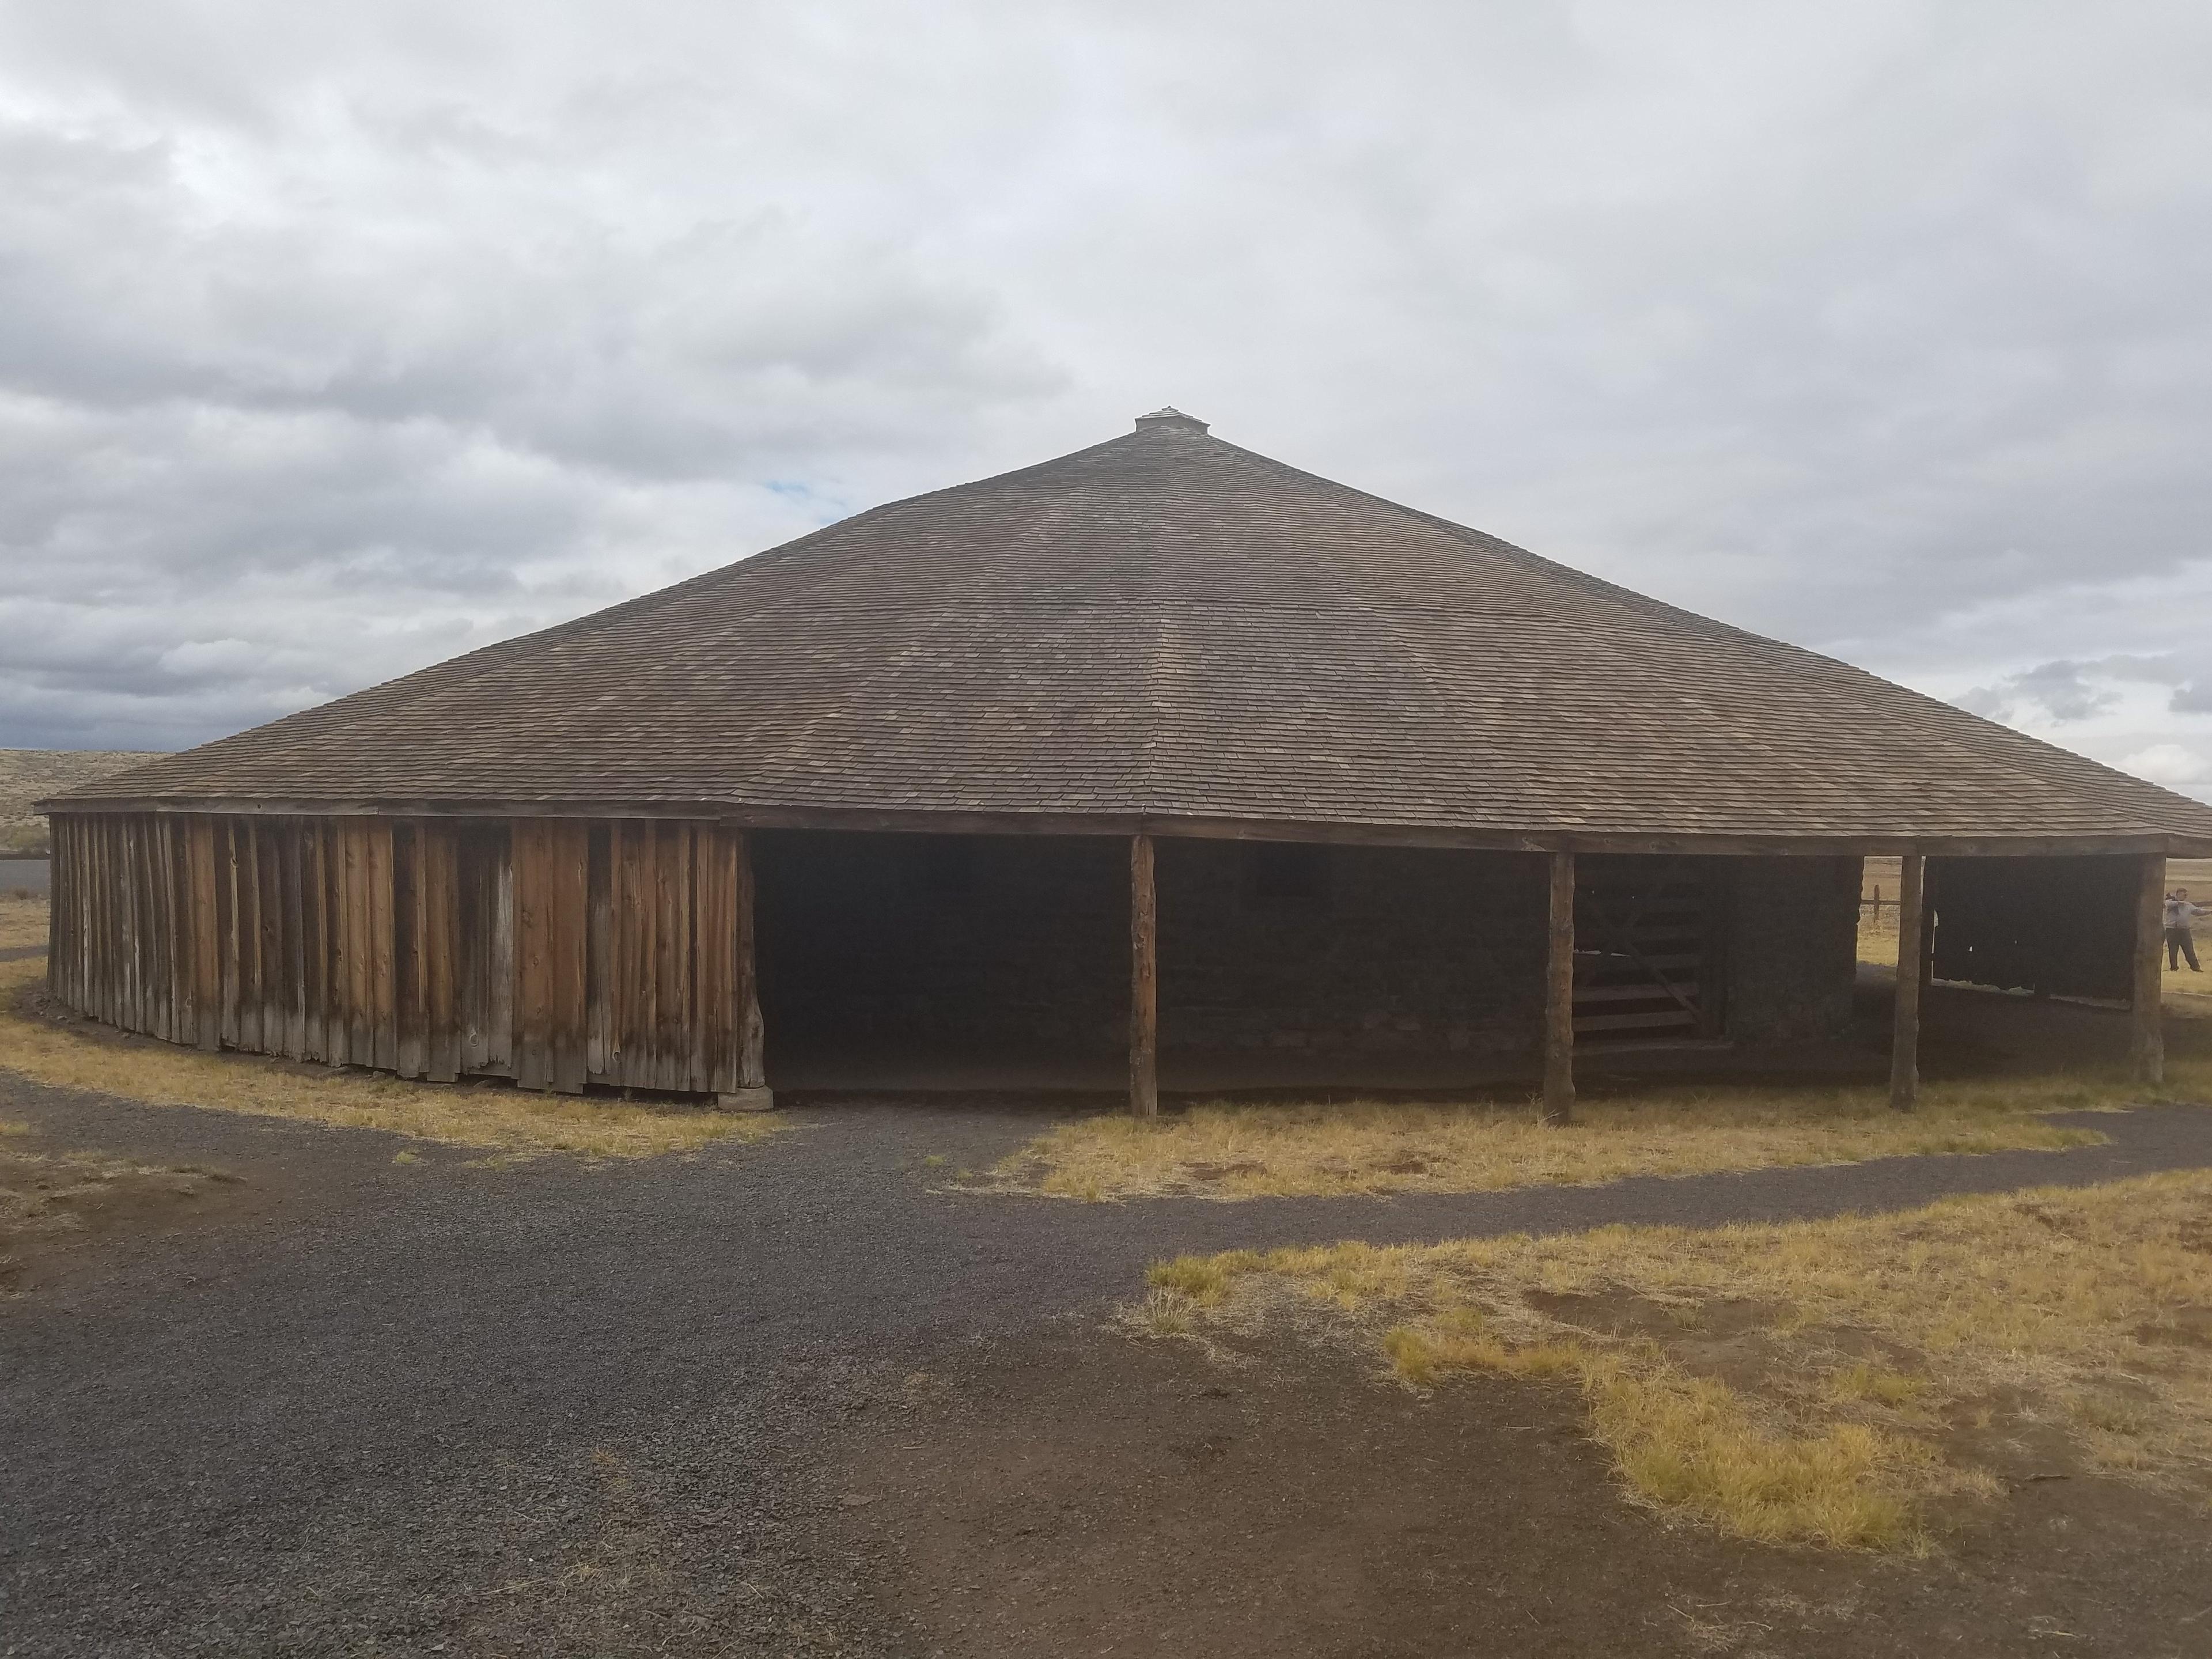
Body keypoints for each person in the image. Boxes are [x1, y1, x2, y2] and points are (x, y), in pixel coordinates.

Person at [2165, 888, 2210, 972]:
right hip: (2172, 930)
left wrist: (2210, 911)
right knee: (2173, 951)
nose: (2185, 896)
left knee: (2189, 950)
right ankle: (2174, 968)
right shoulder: (2171, 903)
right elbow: (2167, 904)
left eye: (2186, 894)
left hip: (2184, 931)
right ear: (2178, 894)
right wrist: (2179, 902)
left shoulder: (2188, 905)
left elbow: (2198, 912)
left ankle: (2195, 968)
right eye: (2183, 894)